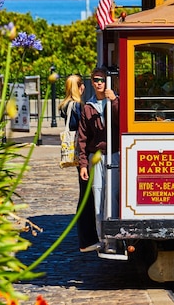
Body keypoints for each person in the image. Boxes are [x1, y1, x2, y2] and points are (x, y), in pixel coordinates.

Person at [78, 67, 120, 252]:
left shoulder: (115, 100)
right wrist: (83, 164)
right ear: (92, 82)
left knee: (114, 195)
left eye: (102, 80)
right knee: (98, 197)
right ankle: (102, 239)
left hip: (114, 153)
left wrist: (115, 101)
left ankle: (114, 239)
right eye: (96, 80)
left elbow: (123, 122)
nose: (99, 83)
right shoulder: (88, 107)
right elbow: (82, 138)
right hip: (96, 156)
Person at [58, 74, 100, 253]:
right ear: (80, 87)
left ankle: (86, 238)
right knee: (86, 195)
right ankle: (87, 238)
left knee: (84, 192)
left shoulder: (64, 105)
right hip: (82, 152)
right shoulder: (77, 106)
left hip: (77, 154)